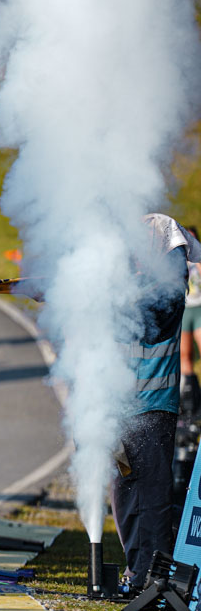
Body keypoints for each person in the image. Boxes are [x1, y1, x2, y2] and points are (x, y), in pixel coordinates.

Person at [112, 214, 199, 588]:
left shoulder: (168, 292)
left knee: (151, 495)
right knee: (124, 492)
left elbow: (143, 318)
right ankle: (137, 569)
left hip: (151, 408)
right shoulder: (125, 283)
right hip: (117, 410)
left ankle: (153, 576)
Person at [179, 225, 201, 420]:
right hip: (185, 310)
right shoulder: (178, 259)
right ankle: (191, 406)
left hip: (199, 308)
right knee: (185, 356)